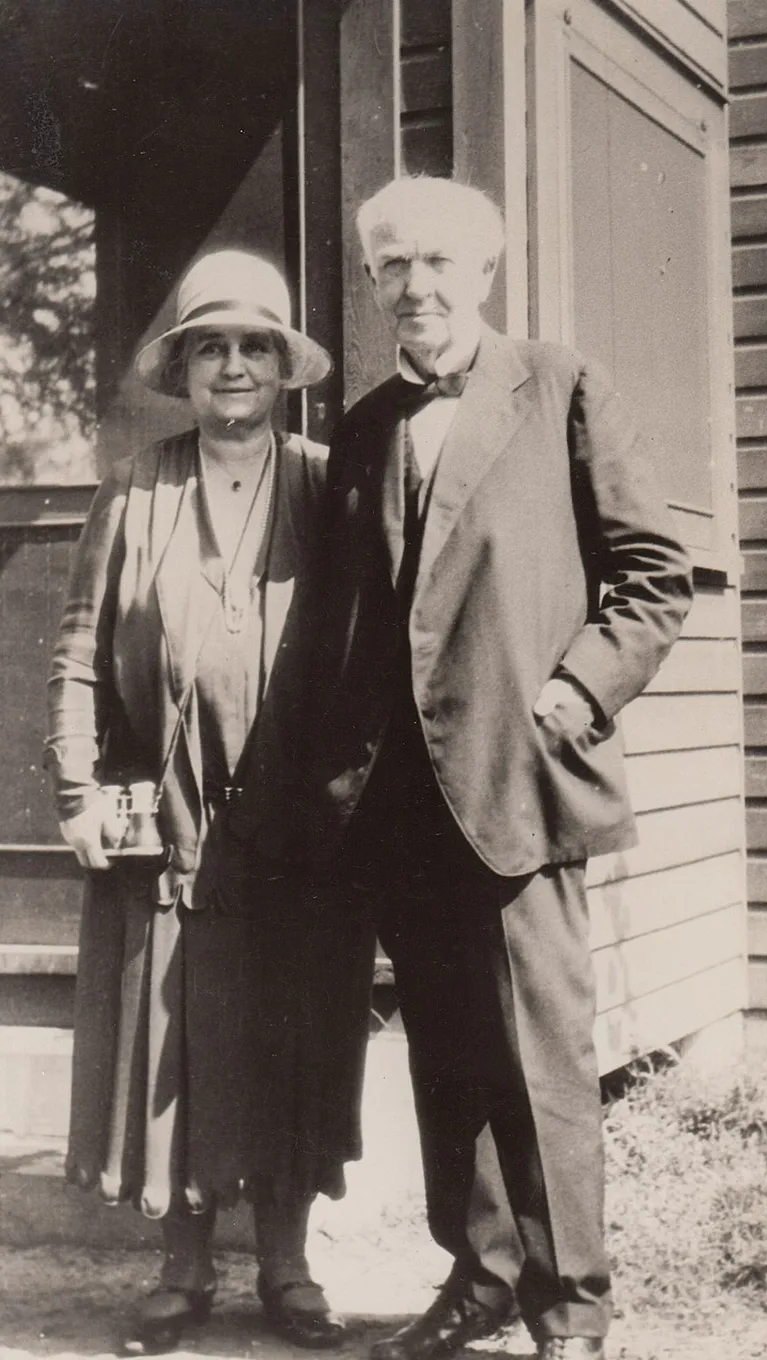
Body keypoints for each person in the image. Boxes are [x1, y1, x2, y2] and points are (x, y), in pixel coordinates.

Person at [308, 176, 693, 1360]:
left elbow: (651, 573)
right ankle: (478, 1277)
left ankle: (571, 1310)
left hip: (518, 780)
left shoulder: (560, 385)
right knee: (446, 1055)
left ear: (484, 271)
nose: (413, 287)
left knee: (541, 1063)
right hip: (403, 803)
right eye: (390, 267)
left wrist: (575, 694)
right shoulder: (365, 427)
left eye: (436, 263)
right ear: (372, 283)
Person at [45, 250, 372, 1354]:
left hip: (295, 821)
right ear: (181, 368)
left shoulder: (331, 485)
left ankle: (287, 1265)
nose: (232, 366)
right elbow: (79, 650)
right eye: (210, 347)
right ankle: (181, 1267)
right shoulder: (135, 486)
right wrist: (77, 787)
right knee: (172, 1036)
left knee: (294, 1030)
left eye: (254, 347)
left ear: (284, 369)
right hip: (166, 812)